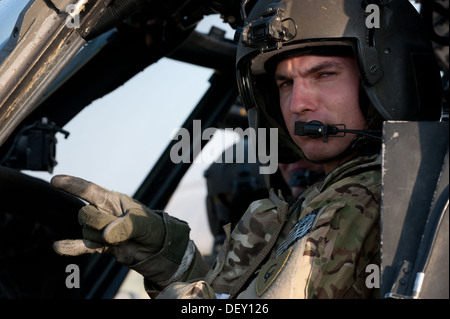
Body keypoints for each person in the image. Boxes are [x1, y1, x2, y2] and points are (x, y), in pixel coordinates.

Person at [51, 0, 443, 299]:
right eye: (285, 84)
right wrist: (171, 258)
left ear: (385, 79)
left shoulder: (368, 199)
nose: (297, 104)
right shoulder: (314, 200)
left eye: (324, 74)